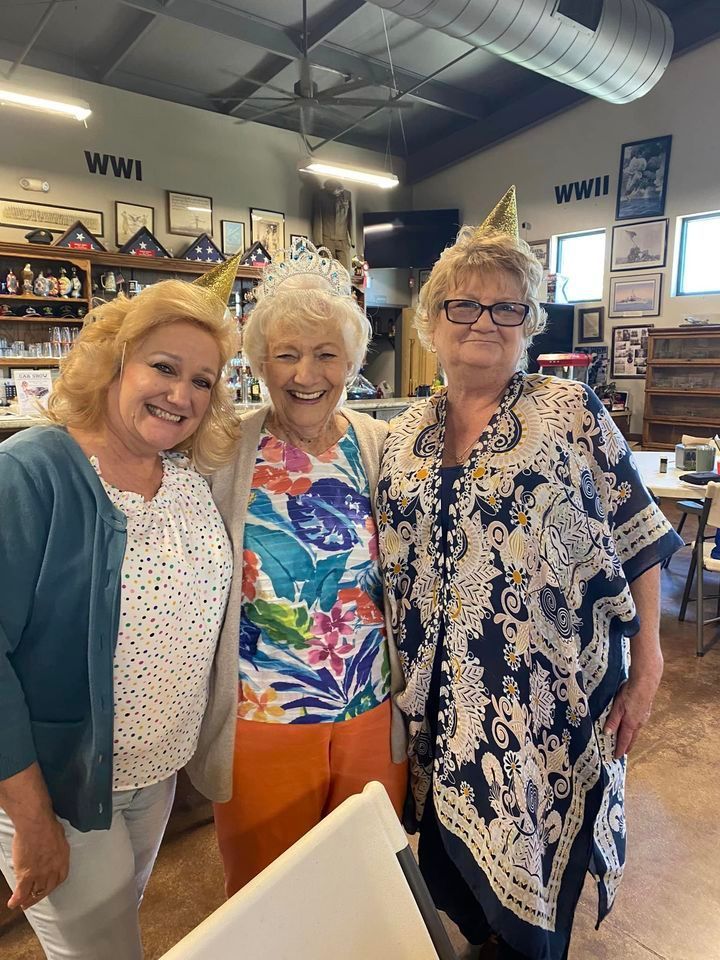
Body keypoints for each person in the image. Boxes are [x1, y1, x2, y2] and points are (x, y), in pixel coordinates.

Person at [375, 187, 683, 960]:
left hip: (547, 702)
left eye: (506, 307)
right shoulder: (403, 433)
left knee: (534, 877)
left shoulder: (570, 411)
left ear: (530, 322)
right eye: (464, 305)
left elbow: (638, 538)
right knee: (455, 872)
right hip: (440, 699)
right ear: (431, 322)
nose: (484, 321)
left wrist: (649, 660)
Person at [0, 257, 244, 960]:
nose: (181, 394)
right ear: (114, 363)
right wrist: (31, 817)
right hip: (63, 786)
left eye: (202, 380)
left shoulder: (188, 479)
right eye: (164, 367)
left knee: (116, 926)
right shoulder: (33, 471)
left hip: (156, 775)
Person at [211, 240, 407, 896]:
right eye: (286, 354)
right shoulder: (223, 452)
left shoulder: (380, 445)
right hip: (261, 717)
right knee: (269, 898)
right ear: (259, 362)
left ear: (351, 362)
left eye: (326, 354)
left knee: (366, 887)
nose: (306, 374)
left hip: (371, 710)